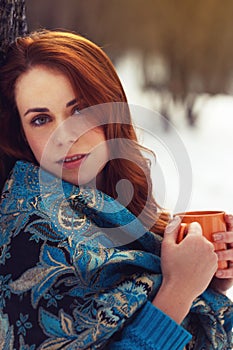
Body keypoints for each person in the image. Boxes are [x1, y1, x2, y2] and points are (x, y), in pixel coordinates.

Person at [0, 30, 232, 350]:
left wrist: (206, 286)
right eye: (41, 119)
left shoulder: (112, 209)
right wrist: (179, 289)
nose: (64, 135)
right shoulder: (31, 235)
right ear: (22, 135)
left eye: (79, 110)